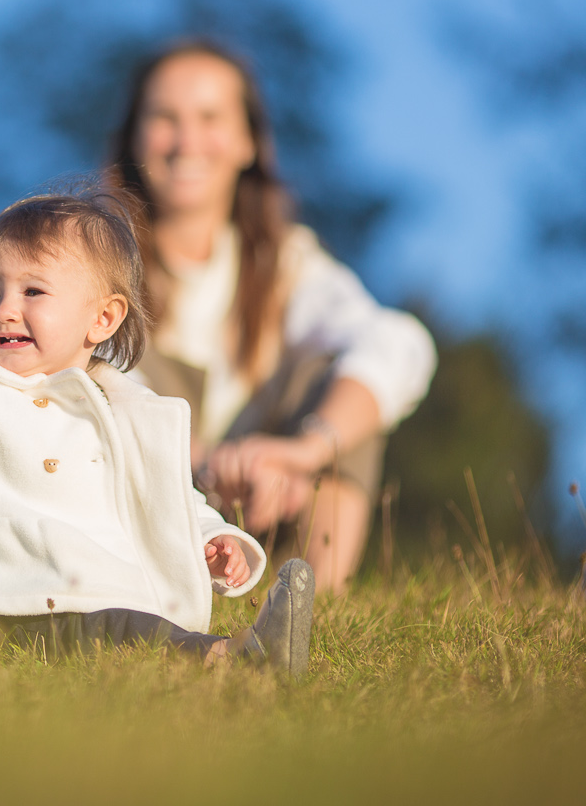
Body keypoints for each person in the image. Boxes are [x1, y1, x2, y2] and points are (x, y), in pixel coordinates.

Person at [0, 189, 314, 673]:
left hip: (85, 596)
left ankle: (234, 657)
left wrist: (214, 537)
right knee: (119, 632)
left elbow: (167, 498)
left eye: (33, 291)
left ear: (102, 318)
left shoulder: (122, 407)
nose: (3, 310)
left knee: (122, 625)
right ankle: (231, 660)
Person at [108, 40, 437, 592]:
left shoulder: (286, 262)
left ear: (247, 143)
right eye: (165, 118)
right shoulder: (98, 259)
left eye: (210, 118)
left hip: (275, 505)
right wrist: (212, 463)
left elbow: (397, 343)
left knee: (345, 386)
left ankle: (312, 596)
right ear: (136, 137)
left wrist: (298, 454)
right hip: (152, 510)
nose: (187, 140)